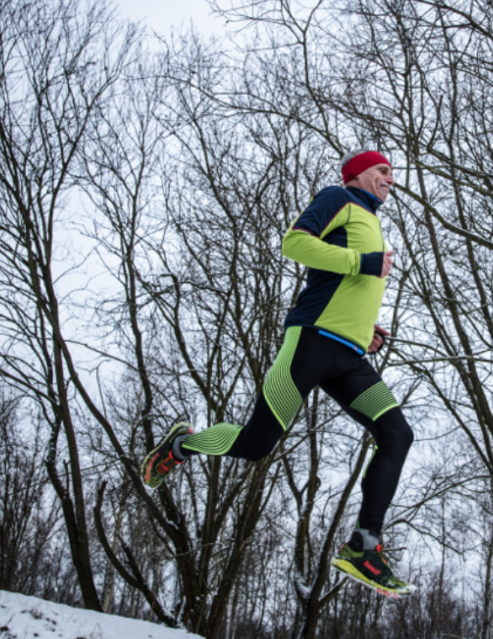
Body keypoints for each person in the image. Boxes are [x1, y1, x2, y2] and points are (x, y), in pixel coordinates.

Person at [140, 149, 413, 597]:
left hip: (349, 358)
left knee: (397, 435)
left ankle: (364, 547)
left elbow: (346, 291)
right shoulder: (338, 198)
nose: (391, 180)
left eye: (391, 173)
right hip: (309, 344)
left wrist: (365, 332)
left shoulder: (372, 220)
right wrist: (361, 263)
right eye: (383, 171)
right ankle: (182, 444)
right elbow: (294, 242)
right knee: (256, 443)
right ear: (358, 174)